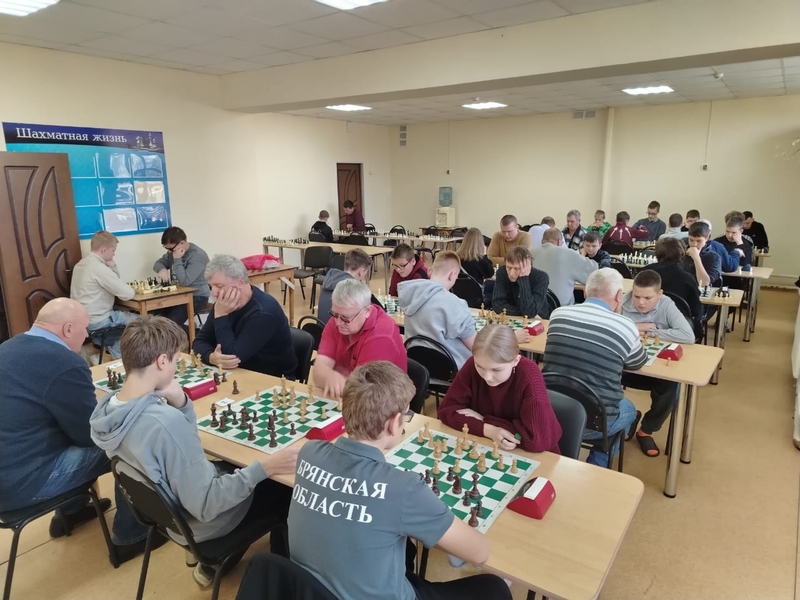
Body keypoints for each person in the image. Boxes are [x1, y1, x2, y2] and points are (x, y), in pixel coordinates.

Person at [90, 316, 298, 587]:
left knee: (237, 467)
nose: (176, 368)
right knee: (284, 488)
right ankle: (279, 579)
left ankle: (220, 563)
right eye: (175, 361)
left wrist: (181, 404)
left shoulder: (109, 411)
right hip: (200, 523)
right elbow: (207, 504)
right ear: (161, 361)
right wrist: (266, 468)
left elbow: (183, 450)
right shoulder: (163, 424)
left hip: (165, 516)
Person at [288, 361, 512, 600]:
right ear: (394, 423)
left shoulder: (309, 453)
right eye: (406, 415)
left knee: (405, 551)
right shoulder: (404, 489)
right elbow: (478, 553)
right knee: (494, 587)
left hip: (312, 592)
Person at [0, 298, 156, 564]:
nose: (87, 335)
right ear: (68, 329)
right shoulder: (63, 361)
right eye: (85, 328)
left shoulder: (7, 347)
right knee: (130, 440)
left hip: (8, 478)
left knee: (59, 429)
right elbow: (90, 435)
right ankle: (131, 535)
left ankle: (71, 512)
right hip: (25, 484)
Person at [542, 269, 647, 468]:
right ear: (619, 295)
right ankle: (595, 466)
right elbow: (637, 363)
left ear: (585, 292)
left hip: (551, 410)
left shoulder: (558, 314)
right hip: (596, 423)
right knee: (630, 409)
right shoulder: (626, 326)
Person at [438, 324, 561, 454]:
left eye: (496, 370)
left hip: (539, 456)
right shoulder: (473, 364)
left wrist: (485, 420)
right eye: (479, 366)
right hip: (489, 447)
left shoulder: (529, 375)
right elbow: (446, 410)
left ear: (515, 361)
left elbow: (537, 441)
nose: (487, 377)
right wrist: (488, 430)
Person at [621, 270, 695, 457]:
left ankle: (646, 429)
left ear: (660, 294)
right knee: (602, 372)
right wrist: (635, 327)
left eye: (648, 298)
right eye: (637, 296)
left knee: (671, 385)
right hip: (626, 366)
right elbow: (608, 325)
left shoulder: (666, 304)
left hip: (657, 369)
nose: (641, 302)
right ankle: (627, 416)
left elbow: (688, 335)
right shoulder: (621, 300)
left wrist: (650, 332)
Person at [192, 255, 297, 378]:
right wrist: (211, 357)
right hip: (239, 373)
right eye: (211, 287)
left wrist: (221, 316)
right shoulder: (223, 304)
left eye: (219, 286)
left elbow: (232, 357)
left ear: (240, 281)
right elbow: (198, 342)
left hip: (272, 379)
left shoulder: (264, 312)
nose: (214, 293)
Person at [315, 278, 406, 398]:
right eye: (335, 314)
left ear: (367, 311)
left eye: (346, 318)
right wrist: (329, 376)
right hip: (351, 399)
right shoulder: (337, 320)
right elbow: (318, 372)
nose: (338, 323)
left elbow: (361, 391)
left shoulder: (381, 336)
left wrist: (331, 378)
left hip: (383, 401)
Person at [398, 252, 478, 369]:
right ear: (452, 275)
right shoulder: (454, 303)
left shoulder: (411, 297)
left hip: (418, 369)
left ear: (429, 271)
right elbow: (476, 347)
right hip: (453, 372)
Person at [70, 230, 136, 359]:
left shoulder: (80, 264)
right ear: (104, 250)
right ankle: (117, 356)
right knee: (142, 323)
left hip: (82, 319)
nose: (114, 254)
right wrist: (113, 267)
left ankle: (96, 351)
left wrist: (112, 267)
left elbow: (114, 283)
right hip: (99, 321)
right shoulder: (98, 268)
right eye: (113, 250)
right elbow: (128, 294)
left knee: (121, 315)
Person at [153, 226, 210, 331]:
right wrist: (161, 269)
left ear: (182, 243)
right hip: (177, 295)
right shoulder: (173, 252)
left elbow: (185, 281)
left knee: (170, 324)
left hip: (197, 296)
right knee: (155, 319)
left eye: (171, 249)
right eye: (166, 249)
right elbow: (158, 263)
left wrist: (177, 259)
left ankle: (198, 335)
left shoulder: (197, 256)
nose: (169, 252)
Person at [642, 237, 704, 332]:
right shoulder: (687, 278)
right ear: (681, 254)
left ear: (657, 252)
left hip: (646, 319)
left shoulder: (644, 272)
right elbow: (695, 308)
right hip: (676, 324)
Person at [532, 228, 597, 307]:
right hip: (561, 308)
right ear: (559, 241)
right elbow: (594, 274)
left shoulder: (529, 253)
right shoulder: (569, 254)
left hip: (533, 307)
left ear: (542, 241)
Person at [318, 248, 382, 325]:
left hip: (321, 327)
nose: (364, 277)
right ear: (361, 272)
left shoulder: (331, 279)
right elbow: (376, 312)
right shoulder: (354, 289)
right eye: (365, 273)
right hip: (339, 328)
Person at [492, 246, 550, 319]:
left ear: (528, 266)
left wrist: (524, 278)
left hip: (539, 321)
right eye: (509, 267)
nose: (511, 273)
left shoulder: (541, 277)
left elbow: (529, 311)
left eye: (517, 268)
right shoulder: (502, 272)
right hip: (513, 318)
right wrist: (524, 312)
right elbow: (497, 305)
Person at [681, 221, 721, 288]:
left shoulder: (714, 257)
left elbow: (704, 283)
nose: (694, 244)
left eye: (699, 241)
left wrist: (696, 257)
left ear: (707, 238)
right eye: (691, 240)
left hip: (699, 292)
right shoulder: (681, 252)